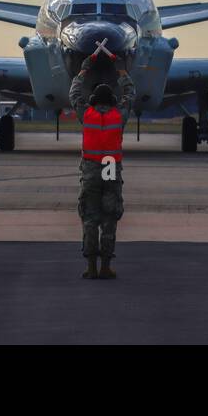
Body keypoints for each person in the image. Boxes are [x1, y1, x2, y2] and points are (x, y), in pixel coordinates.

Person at [70, 54, 135, 279]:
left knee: (89, 217)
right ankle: (106, 266)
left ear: (93, 101)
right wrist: (122, 71)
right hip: (110, 168)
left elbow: (75, 93)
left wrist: (84, 68)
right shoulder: (119, 115)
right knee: (109, 217)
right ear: (112, 102)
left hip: (91, 169)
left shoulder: (86, 114)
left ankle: (90, 266)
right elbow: (130, 94)